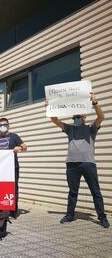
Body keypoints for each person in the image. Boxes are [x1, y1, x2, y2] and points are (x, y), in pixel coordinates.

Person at [45, 93, 109, 228]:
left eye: (78, 117)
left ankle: (102, 217)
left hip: (88, 164)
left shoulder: (91, 129)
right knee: (72, 192)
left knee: (95, 191)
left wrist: (95, 103)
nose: (76, 119)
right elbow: (56, 121)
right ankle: (70, 215)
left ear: (84, 117)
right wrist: (50, 108)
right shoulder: (70, 129)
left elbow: (101, 117)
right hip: (72, 165)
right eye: (74, 117)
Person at [0, 118, 27, 218]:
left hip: (12, 167)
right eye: (0, 125)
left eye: (4, 125)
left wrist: (19, 148)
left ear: (8, 125)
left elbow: (25, 147)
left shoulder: (14, 137)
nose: (3, 127)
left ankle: (13, 210)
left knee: (13, 189)